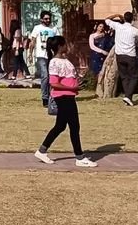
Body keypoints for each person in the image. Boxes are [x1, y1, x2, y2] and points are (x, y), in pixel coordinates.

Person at [34, 36, 97, 167]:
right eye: (64, 44)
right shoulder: (54, 62)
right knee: (74, 126)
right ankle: (79, 157)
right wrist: (71, 87)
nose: (67, 46)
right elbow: (53, 83)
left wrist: (77, 82)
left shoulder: (66, 60)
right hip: (62, 96)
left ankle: (42, 150)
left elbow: (69, 77)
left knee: (61, 126)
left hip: (69, 95)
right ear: (59, 46)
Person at [105, 12, 138, 105]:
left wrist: (116, 15)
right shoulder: (135, 30)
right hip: (130, 55)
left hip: (120, 55)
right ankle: (128, 96)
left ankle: (127, 96)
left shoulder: (118, 26)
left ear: (124, 19)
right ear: (132, 19)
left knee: (124, 77)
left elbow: (107, 20)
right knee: (133, 77)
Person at [27, 10, 59, 107]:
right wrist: (30, 53)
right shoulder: (37, 28)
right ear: (41, 19)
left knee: (51, 76)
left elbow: (58, 41)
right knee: (45, 75)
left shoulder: (54, 28)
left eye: (49, 19)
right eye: (45, 19)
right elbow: (32, 41)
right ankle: (45, 97)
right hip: (41, 55)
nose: (47, 20)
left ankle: (51, 96)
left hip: (51, 55)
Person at [88, 21, 113, 87]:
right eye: (100, 26)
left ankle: (104, 86)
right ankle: (98, 86)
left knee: (104, 70)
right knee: (96, 71)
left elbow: (108, 44)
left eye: (103, 27)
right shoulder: (92, 35)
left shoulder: (105, 36)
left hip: (104, 56)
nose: (101, 28)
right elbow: (92, 46)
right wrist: (102, 51)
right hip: (96, 55)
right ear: (97, 27)